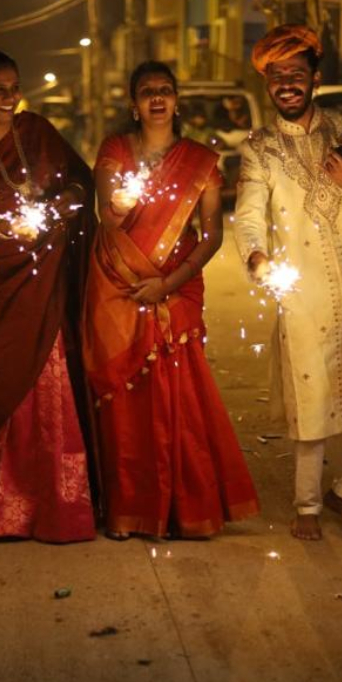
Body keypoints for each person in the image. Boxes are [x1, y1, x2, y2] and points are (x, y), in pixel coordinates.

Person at [233, 25, 342, 541]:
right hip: (304, 294)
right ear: (268, 85)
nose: (287, 83)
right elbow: (247, 217)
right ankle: (307, 506)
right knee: (313, 400)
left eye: (296, 74)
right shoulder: (260, 148)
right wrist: (258, 257)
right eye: (277, 76)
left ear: (315, 79)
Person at [84, 61, 260, 539]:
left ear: (177, 100)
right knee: (124, 398)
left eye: (165, 90)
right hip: (117, 282)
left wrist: (169, 282)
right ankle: (128, 508)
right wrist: (121, 203)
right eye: (147, 92)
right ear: (134, 104)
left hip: (176, 285)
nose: (157, 99)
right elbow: (108, 217)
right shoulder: (115, 150)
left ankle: (185, 508)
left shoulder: (201, 160)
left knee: (178, 394)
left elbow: (212, 234)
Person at [0, 49, 97, 543]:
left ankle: (64, 505)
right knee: (8, 389)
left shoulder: (36, 132)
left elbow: (78, 180)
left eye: (14, 87)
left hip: (47, 281)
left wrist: (68, 203)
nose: (10, 98)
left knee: (54, 388)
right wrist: (13, 229)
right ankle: (13, 509)